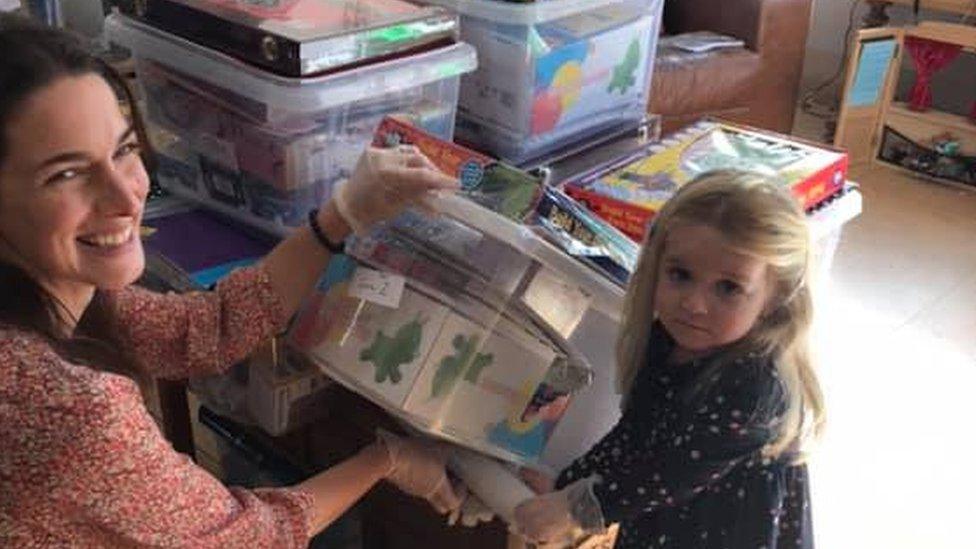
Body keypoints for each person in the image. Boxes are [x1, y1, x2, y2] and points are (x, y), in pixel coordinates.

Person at [0, 14, 463, 547]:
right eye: (66, 174)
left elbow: (202, 328)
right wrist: (387, 460)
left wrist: (343, 213)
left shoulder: (56, 297)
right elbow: (247, 537)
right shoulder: (66, 408)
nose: (128, 198)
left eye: (125, 150)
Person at [512, 171, 825, 548]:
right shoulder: (666, 341)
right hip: (666, 521)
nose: (693, 304)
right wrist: (567, 484)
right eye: (681, 275)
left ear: (774, 298)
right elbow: (633, 436)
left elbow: (673, 471)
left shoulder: (758, 383)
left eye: (728, 288)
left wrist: (575, 508)